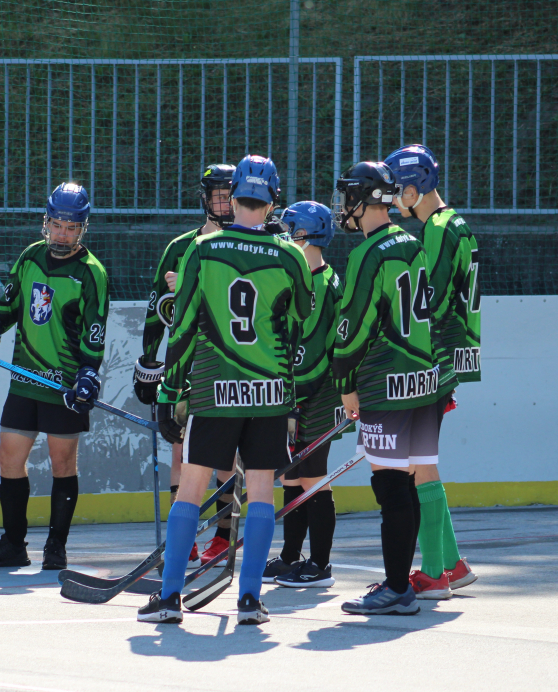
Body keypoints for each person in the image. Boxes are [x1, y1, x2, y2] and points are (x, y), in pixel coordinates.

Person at [136, 155, 313, 625]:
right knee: (261, 492)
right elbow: (301, 316)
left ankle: (170, 597)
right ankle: (250, 600)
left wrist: (169, 392)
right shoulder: (290, 255)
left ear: (232, 198)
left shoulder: (203, 248)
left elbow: (183, 326)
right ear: (273, 202)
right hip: (269, 392)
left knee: (191, 489)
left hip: (215, 390)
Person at [0, 182, 109, 570]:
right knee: (8, 458)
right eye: (57, 225)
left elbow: (95, 334)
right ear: (46, 223)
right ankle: (14, 544)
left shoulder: (91, 273)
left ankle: (56, 546)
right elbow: (8, 306)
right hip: (25, 378)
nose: (62, 234)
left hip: (63, 385)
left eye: (71, 228)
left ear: (82, 229)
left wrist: (88, 374)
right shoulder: (30, 257)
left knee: (63, 463)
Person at [332, 161, 444, 616]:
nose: (344, 206)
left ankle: (397, 588)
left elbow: (352, 329)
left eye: (348, 196)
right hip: (423, 380)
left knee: (390, 487)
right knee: (408, 484)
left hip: (387, 382)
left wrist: (344, 382)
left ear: (362, 200)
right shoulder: (412, 242)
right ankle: (401, 582)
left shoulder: (368, 253)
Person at [385, 144, 480, 599]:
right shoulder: (454, 222)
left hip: (433, 358)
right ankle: (452, 565)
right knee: (422, 463)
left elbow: (430, 300)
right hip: (450, 355)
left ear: (412, 189)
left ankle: (433, 572)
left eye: (395, 191)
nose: (391, 200)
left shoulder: (438, 229)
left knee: (417, 465)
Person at [133, 163, 236, 569]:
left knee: (226, 457)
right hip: (185, 367)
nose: (224, 203)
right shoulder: (179, 247)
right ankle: (185, 538)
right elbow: (156, 309)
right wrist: (148, 362)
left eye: (230, 195)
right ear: (205, 198)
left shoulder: (246, 245)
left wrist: (193, 283)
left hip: (229, 365)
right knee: (181, 450)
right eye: (218, 195)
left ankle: (224, 535)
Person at [261, 201, 348, 588]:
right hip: (296, 391)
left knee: (314, 477)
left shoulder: (323, 284)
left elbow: (312, 353)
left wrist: (293, 400)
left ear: (305, 236)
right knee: (291, 476)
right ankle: (291, 556)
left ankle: (320, 564)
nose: (282, 236)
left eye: (288, 230)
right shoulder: (299, 277)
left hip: (318, 393)